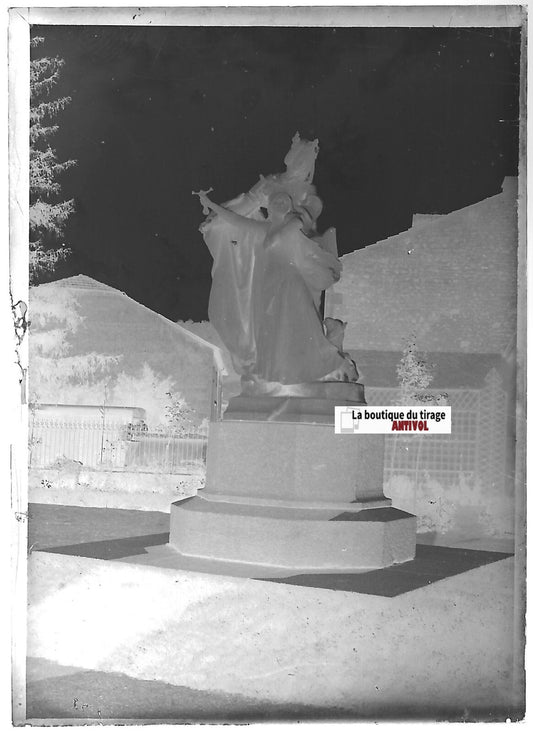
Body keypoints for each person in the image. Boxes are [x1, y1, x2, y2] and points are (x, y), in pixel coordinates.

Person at [195, 185, 357, 391]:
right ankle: (276, 374)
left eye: (284, 201)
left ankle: (321, 366)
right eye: (276, 201)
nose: (280, 203)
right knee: (270, 331)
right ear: (270, 207)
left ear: (289, 207)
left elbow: (279, 238)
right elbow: (236, 220)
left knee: (298, 328)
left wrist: (276, 234)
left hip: (290, 283)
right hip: (267, 285)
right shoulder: (263, 229)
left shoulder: (295, 224)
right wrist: (211, 205)